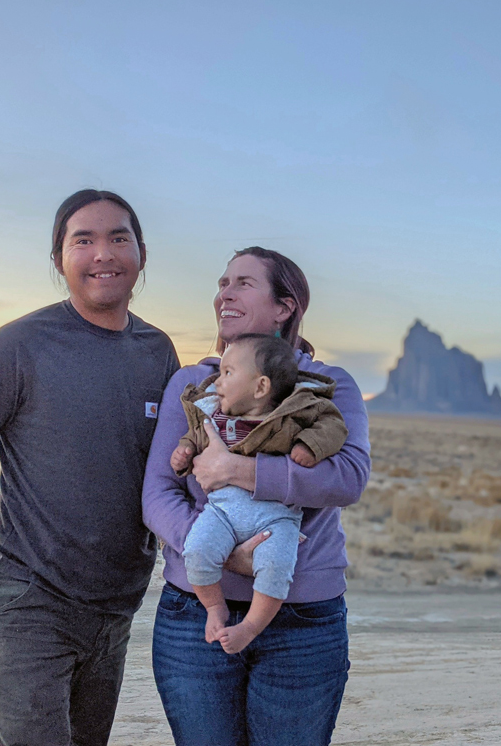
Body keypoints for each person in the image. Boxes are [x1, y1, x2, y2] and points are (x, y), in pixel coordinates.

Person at [0, 189, 180, 746]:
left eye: (119, 237)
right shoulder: (18, 346)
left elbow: (171, 471)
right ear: (58, 259)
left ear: (141, 253)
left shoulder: (157, 351)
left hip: (116, 607)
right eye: (82, 240)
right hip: (30, 601)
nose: (103, 254)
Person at [143, 247, 371, 746]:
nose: (224, 292)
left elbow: (349, 475)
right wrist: (221, 552)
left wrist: (239, 470)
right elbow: (158, 493)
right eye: (222, 282)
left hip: (303, 620)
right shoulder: (192, 386)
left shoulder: (328, 387)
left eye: (243, 283)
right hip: (194, 616)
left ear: (285, 307)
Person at [171, 333, 348, 654]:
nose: (217, 382)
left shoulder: (294, 413)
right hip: (222, 511)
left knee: (276, 567)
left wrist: (310, 446)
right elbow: (193, 437)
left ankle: (250, 627)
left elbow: (333, 426)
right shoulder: (214, 416)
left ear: (261, 387)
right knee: (196, 551)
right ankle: (215, 608)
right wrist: (184, 452)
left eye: (228, 373)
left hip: (276, 517)